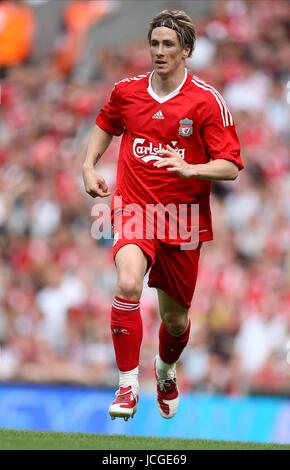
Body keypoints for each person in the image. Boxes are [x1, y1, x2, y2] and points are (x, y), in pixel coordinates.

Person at [82, 9, 243, 421]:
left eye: (168, 44)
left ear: (186, 50)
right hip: (134, 209)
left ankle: (166, 370)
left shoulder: (207, 101)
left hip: (183, 219)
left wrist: (192, 168)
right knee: (128, 281)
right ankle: (127, 386)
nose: (159, 51)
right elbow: (106, 123)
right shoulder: (127, 92)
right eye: (154, 43)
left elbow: (230, 165)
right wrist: (88, 164)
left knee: (175, 321)